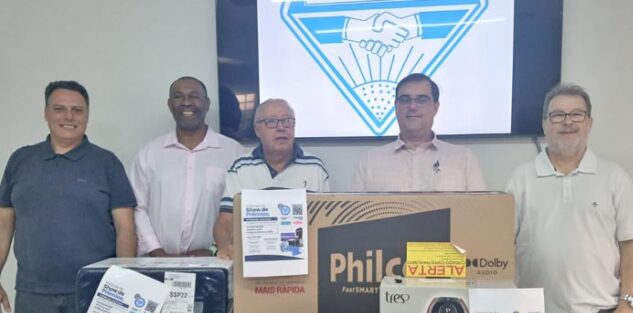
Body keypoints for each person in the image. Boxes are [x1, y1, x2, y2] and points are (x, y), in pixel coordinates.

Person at [506, 83, 633, 313]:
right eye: (558, 115)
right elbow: (501, 246)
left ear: (589, 122)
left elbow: (632, 247)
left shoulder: (614, 178)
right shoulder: (521, 178)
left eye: (576, 114)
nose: (567, 122)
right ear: (544, 123)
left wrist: (628, 308)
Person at [0, 80, 137, 313]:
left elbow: (126, 227)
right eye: (59, 109)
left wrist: (124, 285)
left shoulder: (106, 163)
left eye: (77, 110)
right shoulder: (21, 160)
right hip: (35, 294)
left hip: (96, 292)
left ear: (87, 115)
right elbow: (4, 224)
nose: (69, 117)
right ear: (46, 113)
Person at [130, 77, 243, 257]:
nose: (186, 102)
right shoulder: (149, 153)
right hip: (157, 262)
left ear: (207, 104)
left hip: (217, 262)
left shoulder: (234, 152)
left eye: (194, 96)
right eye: (179, 96)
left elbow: (242, 210)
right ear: (170, 104)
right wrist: (157, 253)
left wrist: (214, 250)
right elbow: (138, 208)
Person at [213, 99, 330, 259]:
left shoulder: (314, 167)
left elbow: (326, 223)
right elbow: (226, 220)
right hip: (252, 259)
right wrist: (226, 247)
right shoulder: (241, 167)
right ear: (257, 130)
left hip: (303, 259)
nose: (281, 128)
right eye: (271, 122)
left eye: (287, 121)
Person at [351, 73, 485, 192]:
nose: (412, 106)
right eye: (405, 100)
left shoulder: (464, 159)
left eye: (421, 100)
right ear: (396, 107)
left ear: (436, 107)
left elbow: (480, 210)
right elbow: (354, 211)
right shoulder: (369, 161)